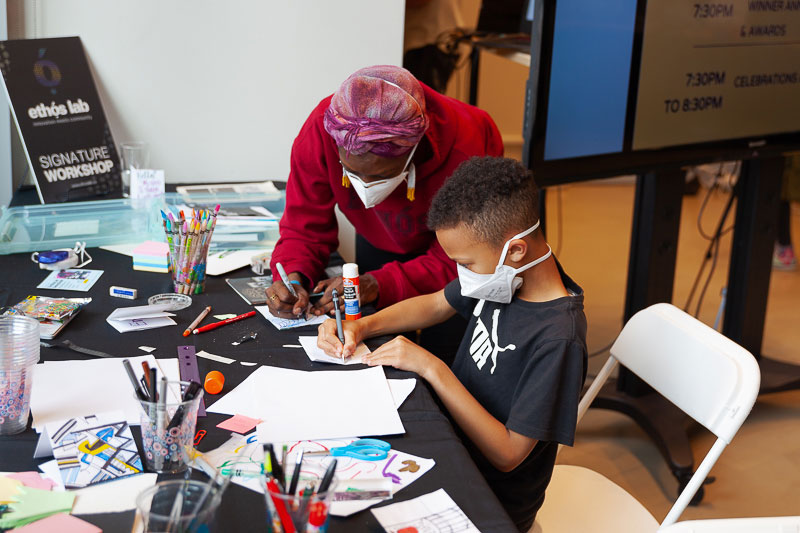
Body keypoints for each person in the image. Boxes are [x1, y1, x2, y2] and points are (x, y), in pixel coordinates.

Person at [317, 157, 588, 530]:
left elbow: (508, 455)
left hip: (489, 495)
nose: (462, 275)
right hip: (451, 440)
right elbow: (435, 304)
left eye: (466, 263)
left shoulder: (559, 338)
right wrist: (361, 326)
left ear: (516, 250)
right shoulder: (507, 274)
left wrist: (432, 367)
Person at [266, 65, 502, 358]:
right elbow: (303, 227)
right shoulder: (323, 128)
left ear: (414, 149)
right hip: (379, 239)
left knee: (446, 355)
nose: (364, 187)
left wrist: (381, 283)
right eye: (351, 172)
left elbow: (468, 256)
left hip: (456, 261)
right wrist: (293, 276)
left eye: (379, 177)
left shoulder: (471, 143)